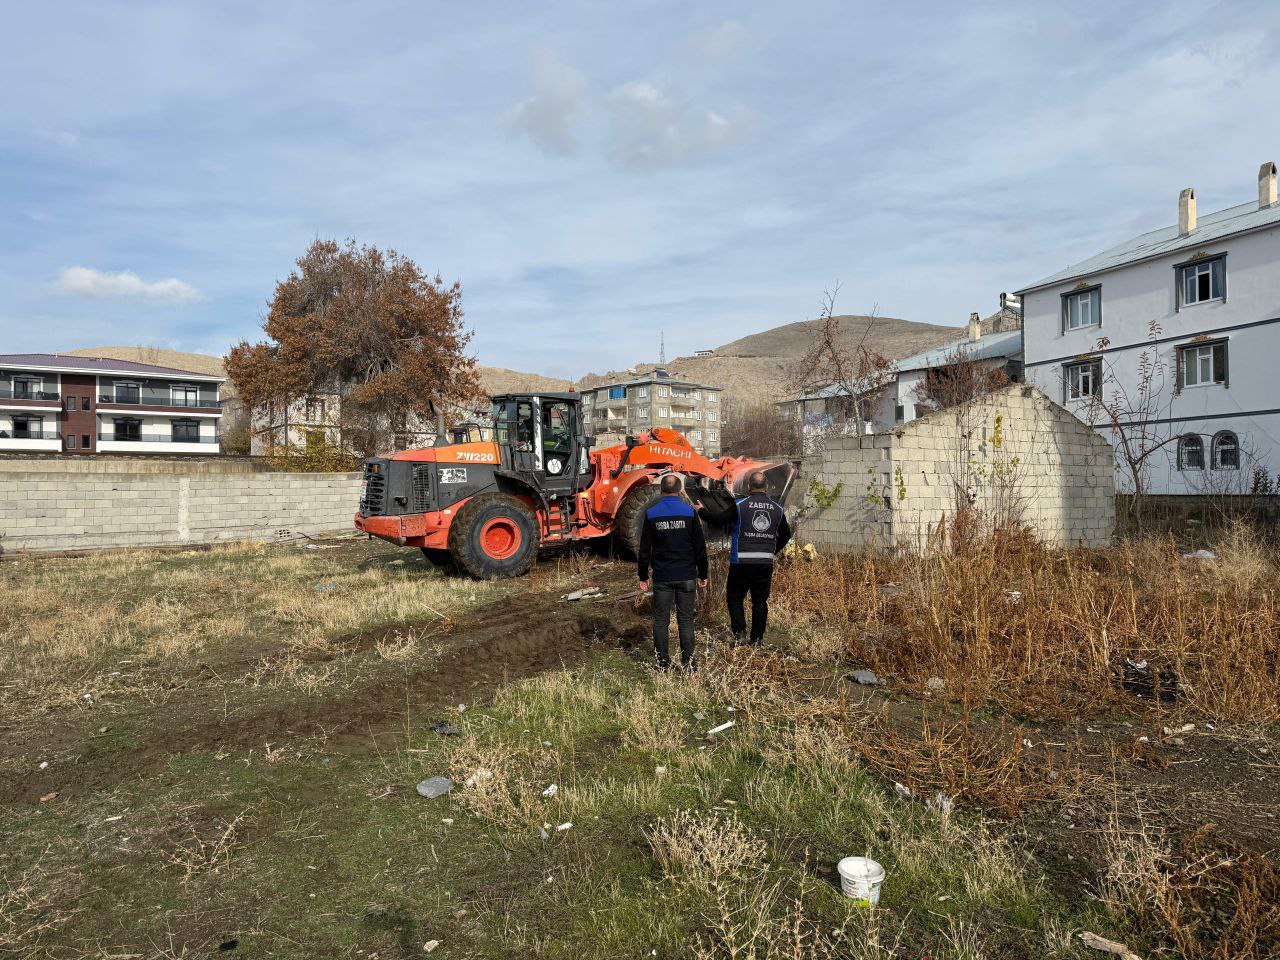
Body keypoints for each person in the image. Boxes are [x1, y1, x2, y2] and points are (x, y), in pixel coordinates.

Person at [698, 471, 792, 646]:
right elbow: (785, 535)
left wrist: (701, 511)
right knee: (760, 602)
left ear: (749, 487)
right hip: (764, 563)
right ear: (766, 487)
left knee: (734, 598)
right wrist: (771, 550)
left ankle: (740, 634)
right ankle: (757, 639)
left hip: (741, 561)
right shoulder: (778, 509)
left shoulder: (740, 505)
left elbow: (718, 520)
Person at [637, 473, 709, 670]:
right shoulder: (689, 512)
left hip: (662, 576)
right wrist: (703, 574)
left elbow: (644, 549)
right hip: (686, 575)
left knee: (660, 621)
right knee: (686, 621)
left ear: (661, 490)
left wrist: (643, 576)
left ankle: (663, 664)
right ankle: (689, 664)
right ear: (679, 490)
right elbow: (699, 547)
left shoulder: (651, 513)